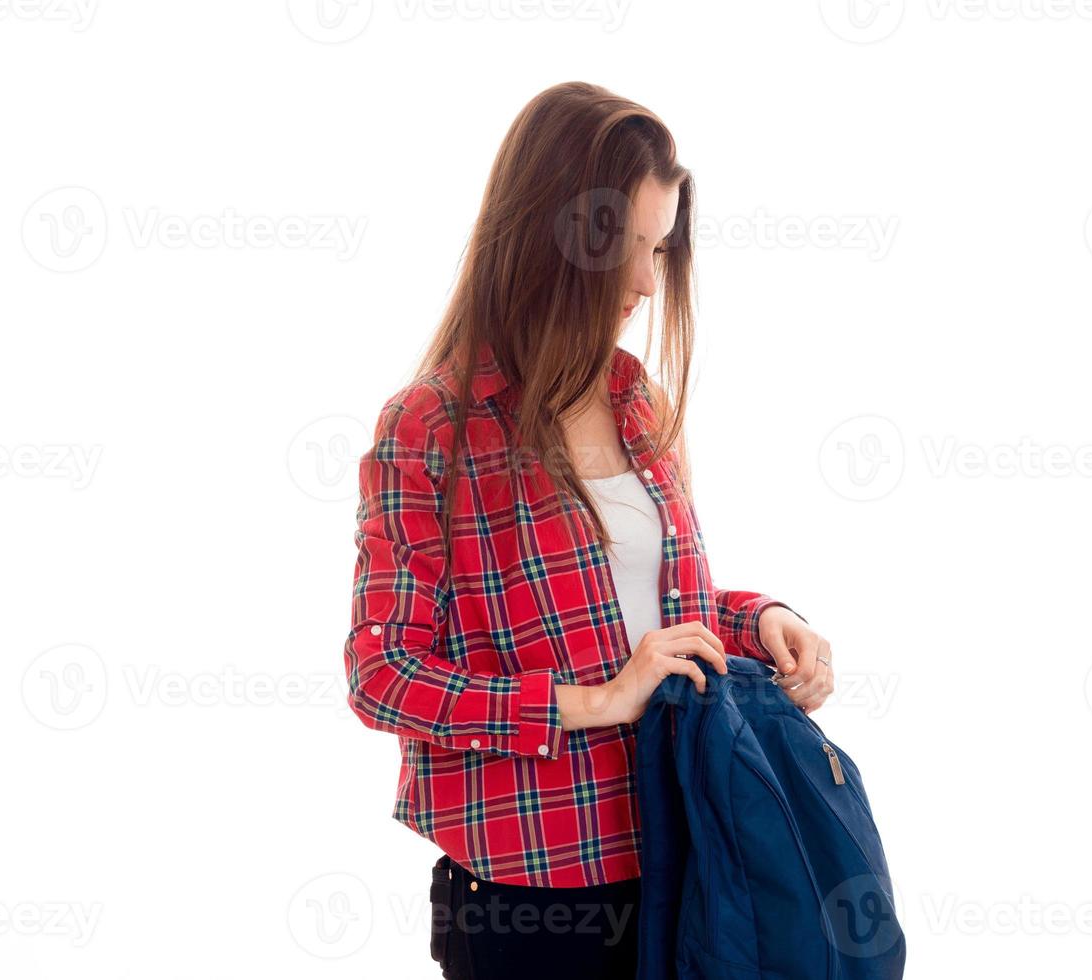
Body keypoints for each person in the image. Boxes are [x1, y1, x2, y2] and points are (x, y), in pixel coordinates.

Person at [342, 81, 835, 978]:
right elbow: (383, 676)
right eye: (633, 251)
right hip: (536, 905)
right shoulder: (430, 429)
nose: (649, 284)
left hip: (682, 854)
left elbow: (651, 610)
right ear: (559, 240)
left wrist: (759, 619)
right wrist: (595, 702)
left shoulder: (636, 398)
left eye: (661, 248)